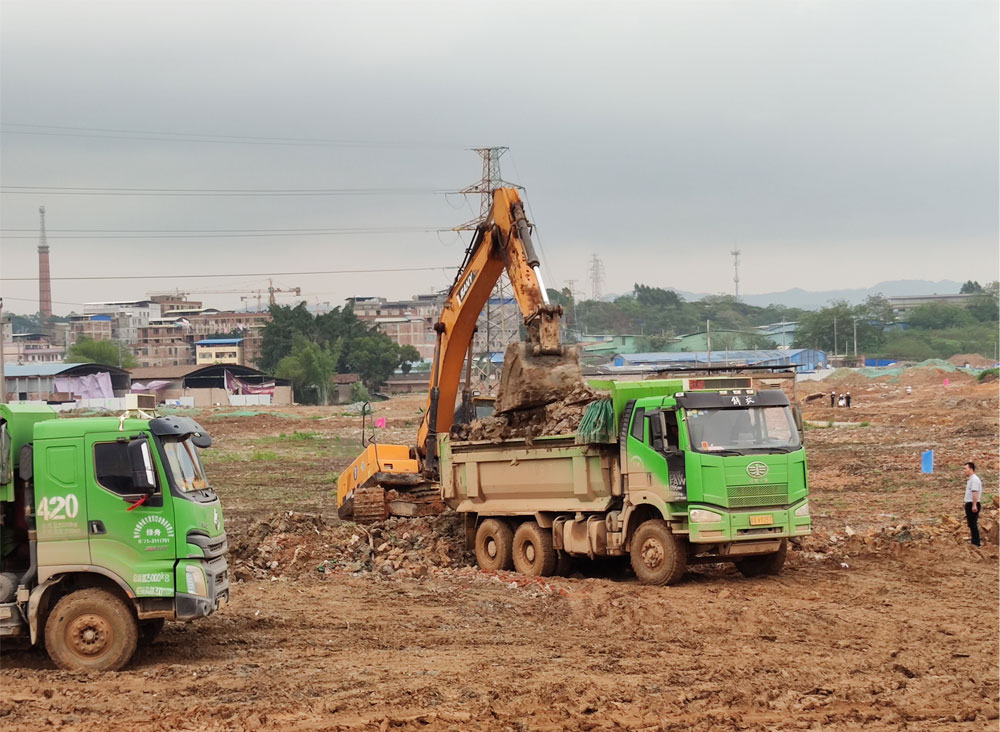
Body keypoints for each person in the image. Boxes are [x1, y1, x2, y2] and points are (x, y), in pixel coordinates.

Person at [964, 462, 982, 547]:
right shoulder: (971, 479)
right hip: (970, 503)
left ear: (971, 469)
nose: (964, 471)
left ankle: (976, 542)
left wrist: (974, 505)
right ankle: (974, 541)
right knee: (971, 524)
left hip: (973, 504)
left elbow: (975, 493)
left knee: (973, 524)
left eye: (965, 469)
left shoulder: (974, 480)